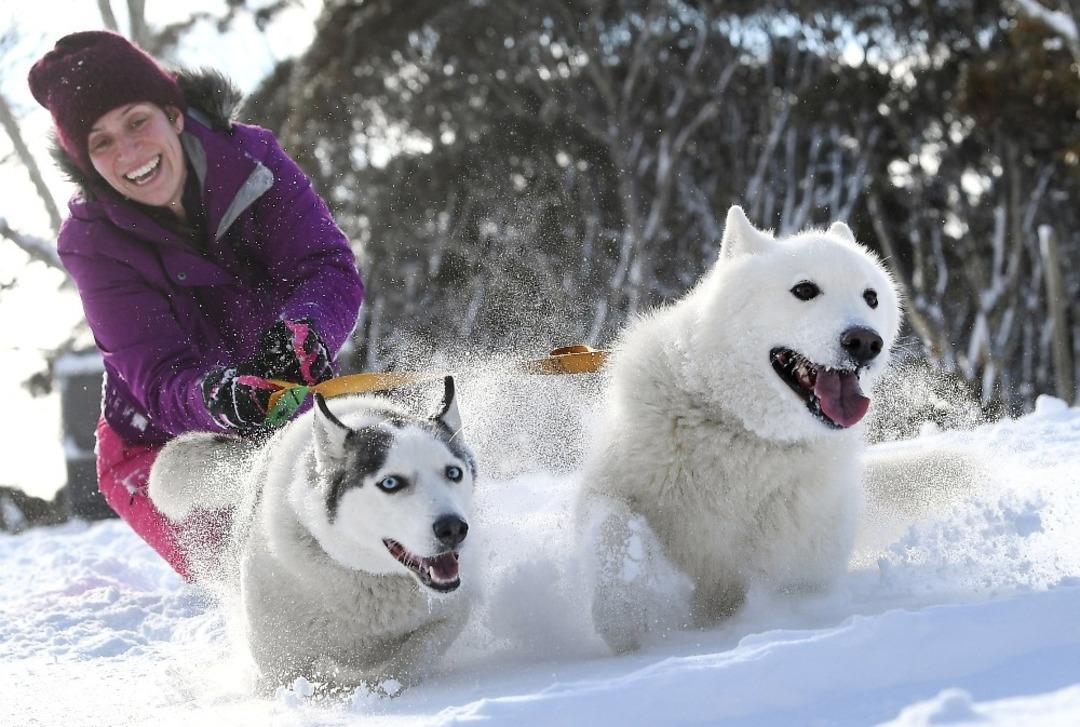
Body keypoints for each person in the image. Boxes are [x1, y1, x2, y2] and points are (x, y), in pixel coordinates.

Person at [28, 31, 364, 580]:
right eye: (101, 142)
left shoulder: (253, 161)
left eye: (137, 121)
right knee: (273, 570)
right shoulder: (91, 242)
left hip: (289, 403)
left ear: (174, 115)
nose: (129, 151)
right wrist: (220, 397)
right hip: (163, 447)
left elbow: (326, 267)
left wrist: (303, 337)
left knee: (361, 528)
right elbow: (160, 378)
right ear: (87, 165)